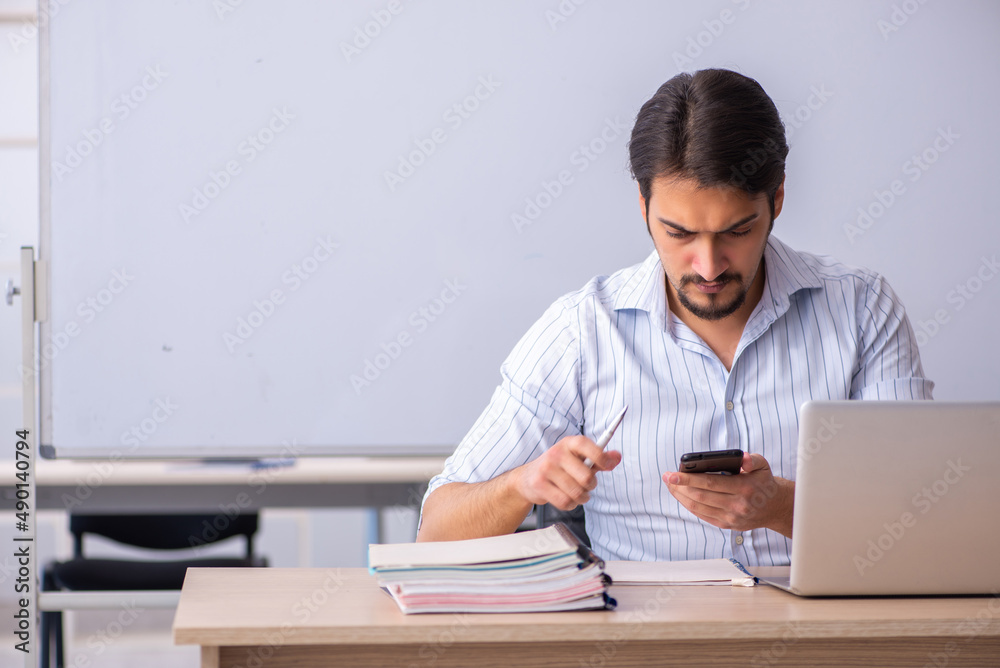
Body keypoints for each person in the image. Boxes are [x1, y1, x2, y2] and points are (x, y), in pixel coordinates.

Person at [416, 69, 934, 565]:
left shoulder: (863, 309)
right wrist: (520, 485)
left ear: (776, 199)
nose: (708, 267)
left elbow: (924, 520)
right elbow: (435, 534)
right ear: (644, 210)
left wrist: (780, 506)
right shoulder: (582, 331)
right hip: (645, 646)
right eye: (680, 234)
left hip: (826, 643)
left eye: (736, 231)